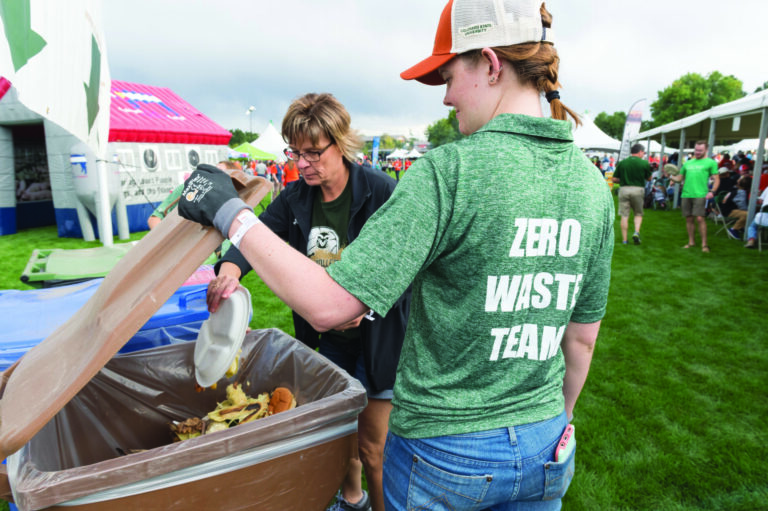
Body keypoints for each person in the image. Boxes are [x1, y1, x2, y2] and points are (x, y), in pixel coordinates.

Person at [178, 0, 614, 508]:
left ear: (491, 64)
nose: (447, 97)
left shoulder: (448, 171)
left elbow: (329, 304)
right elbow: (581, 339)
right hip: (546, 442)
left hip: (447, 451)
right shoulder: (589, 182)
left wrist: (229, 211)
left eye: (450, 75)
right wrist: (556, 420)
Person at [208, 93, 409, 511]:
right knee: (339, 433)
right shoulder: (295, 198)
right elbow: (256, 236)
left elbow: (407, 270)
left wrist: (365, 308)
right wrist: (229, 269)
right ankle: (351, 498)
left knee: (374, 446)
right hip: (326, 339)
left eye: (314, 153)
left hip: (378, 340)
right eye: (295, 153)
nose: (302, 164)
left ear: (342, 144)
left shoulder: (382, 192)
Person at [147, 160, 240, 229]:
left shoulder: (227, 206)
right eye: (214, 170)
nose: (213, 174)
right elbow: (154, 219)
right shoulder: (188, 187)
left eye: (220, 172)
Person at [669, 140, 719, 252]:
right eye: (696, 150)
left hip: (701, 194)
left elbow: (716, 179)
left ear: (706, 150)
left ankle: (704, 245)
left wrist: (713, 191)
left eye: (700, 150)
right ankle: (691, 242)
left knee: (700, 218)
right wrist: (671, 177)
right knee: (689, 219)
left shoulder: (710, 162)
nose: (697, 152)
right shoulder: (688, 163)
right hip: (686, 194)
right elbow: (680, 178)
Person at [612, 143, 651, 244]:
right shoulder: (644, 163)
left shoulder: (623, 163)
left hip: (624, 189)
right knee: (638, 213)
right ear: (640, 152)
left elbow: (614, 179)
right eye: (643, 152)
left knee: (624, 215)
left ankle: (625, 240)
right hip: (638, 190)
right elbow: (649, 178)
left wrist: (624, 180)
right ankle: (636, 232)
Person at [724, 175, 752, 240]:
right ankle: (734, 229)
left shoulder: (735, 189)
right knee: (749, 214)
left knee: (749, 213)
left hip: (727, 209)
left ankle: (742, 227)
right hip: (729, 211)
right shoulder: (741, 192)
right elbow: (742, 206)